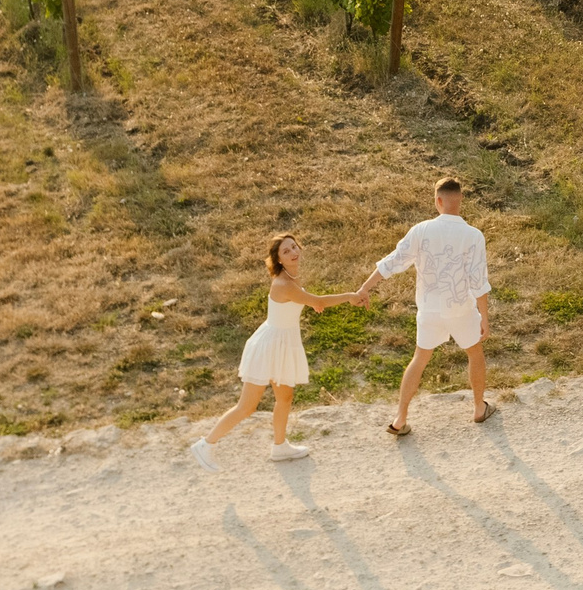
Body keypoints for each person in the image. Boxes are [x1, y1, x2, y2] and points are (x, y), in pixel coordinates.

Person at [190, 234, 368, 470]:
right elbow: (317, 300)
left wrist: (307, 302)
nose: (293, 252)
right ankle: (205, 445)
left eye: (294, 247)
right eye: (286, 251)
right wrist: (348, 297)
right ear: (278, 260)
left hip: (283, 343)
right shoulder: (283, 283)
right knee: (247, 406)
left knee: (285, 398)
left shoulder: (291, 276)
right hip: (270, 346)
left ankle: (280, 446)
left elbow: (303, 300)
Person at [358, 176, 494, 434]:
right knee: (474, 353)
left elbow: (394, 261)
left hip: (429, 309)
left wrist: (365, 287)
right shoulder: (473, 235)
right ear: (460, 199)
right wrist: (484, 317)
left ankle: (400, 418)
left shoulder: (421, 230)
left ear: (437, 201)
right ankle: (479, 407)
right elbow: (478, 280)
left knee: (419, 359)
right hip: (460, 308)